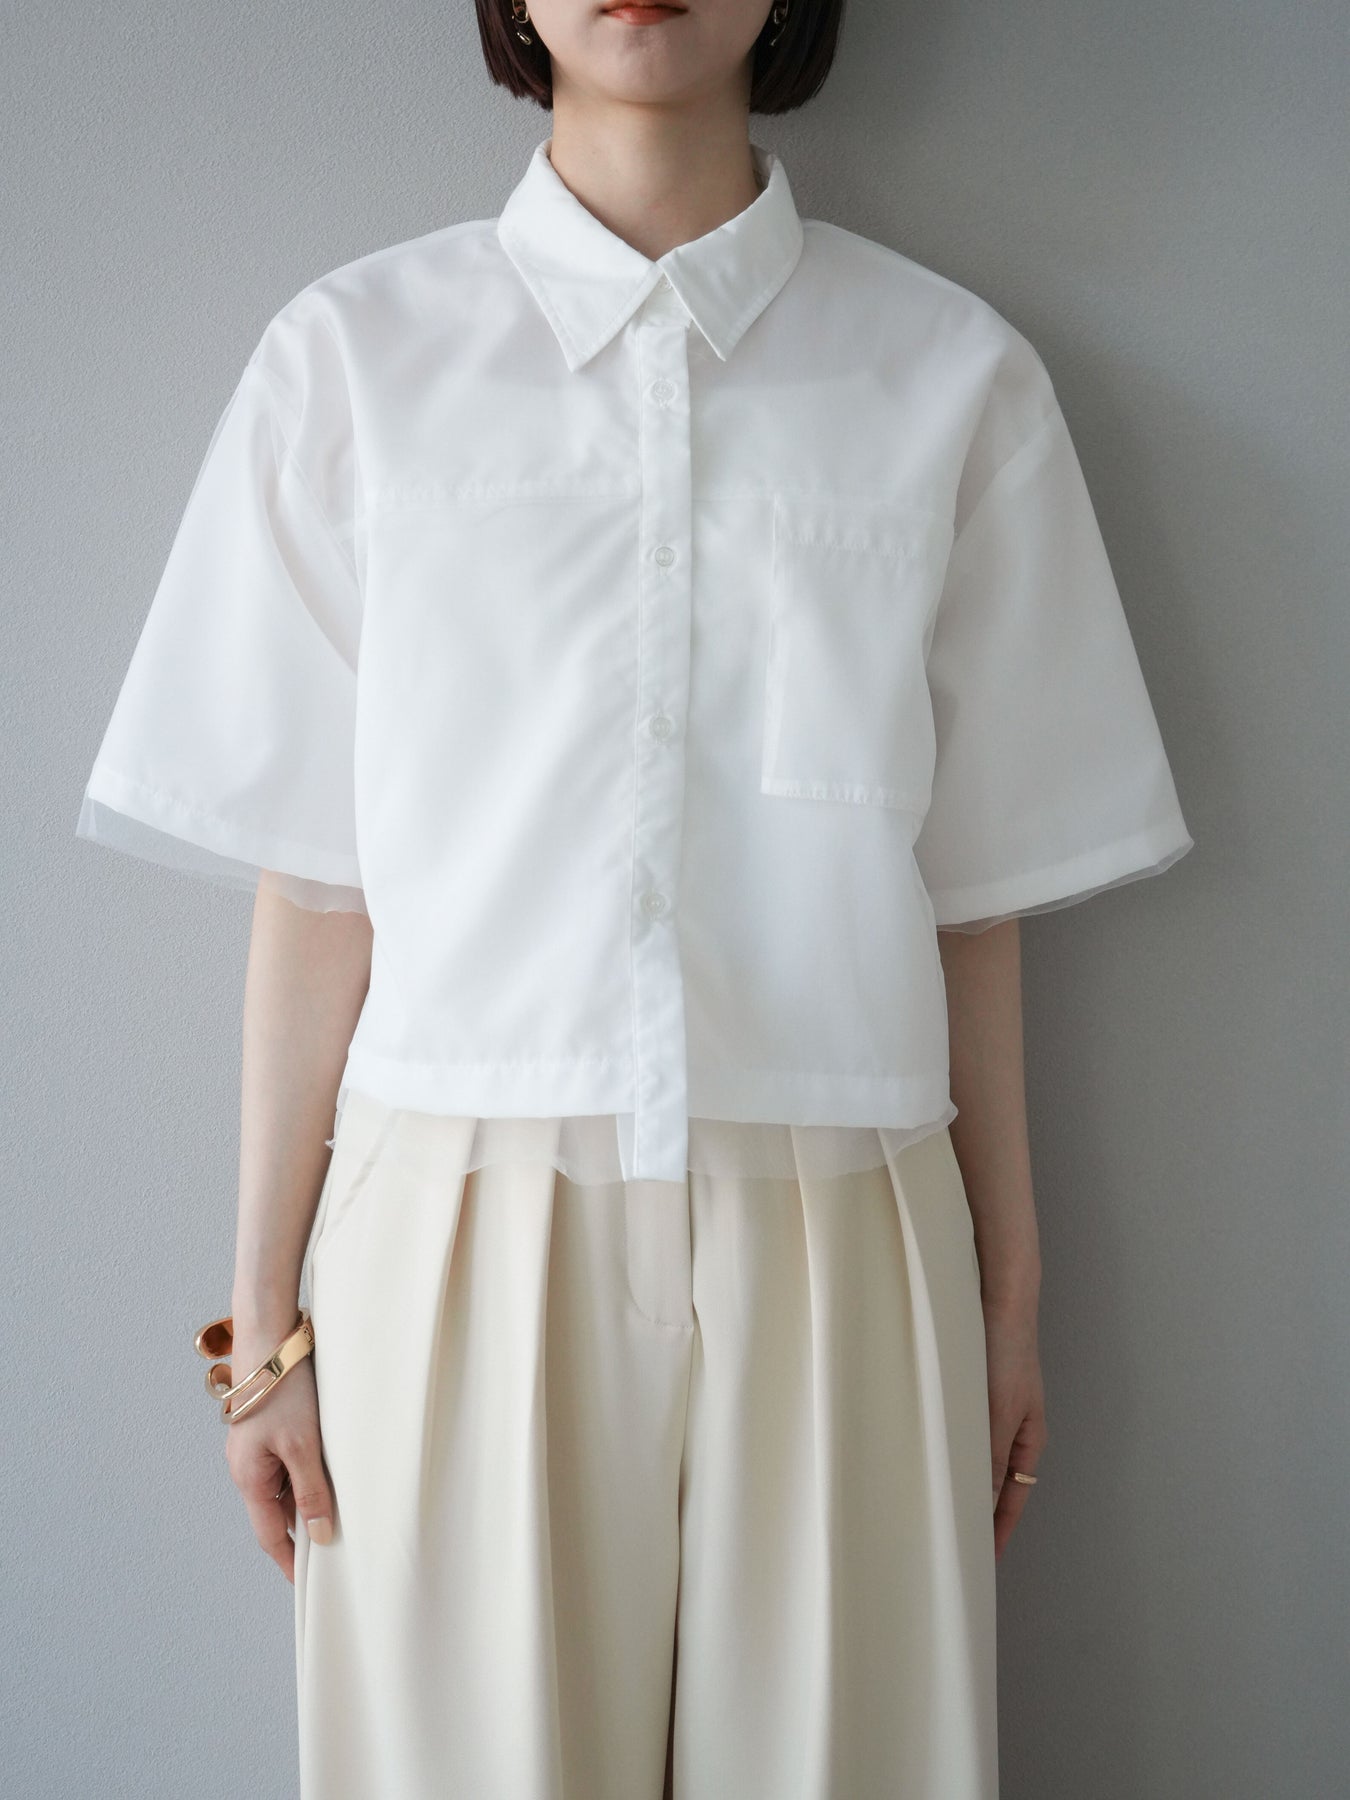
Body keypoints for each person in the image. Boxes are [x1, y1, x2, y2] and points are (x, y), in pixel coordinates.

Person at [75, 2, 1194, 1795]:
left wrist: (1004, 1304)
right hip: (454, 1215)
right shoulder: (355, 359)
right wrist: (260, 1333)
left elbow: (974, 903)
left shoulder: (948, 375)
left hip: (845, 1216)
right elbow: (318, 890)